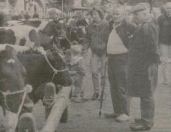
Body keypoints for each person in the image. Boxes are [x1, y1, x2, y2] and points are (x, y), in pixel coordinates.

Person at [127, 3, 160, 131]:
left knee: (146, 94)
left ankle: (146, 122)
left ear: (145, 14)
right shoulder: (145, 25)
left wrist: (150, 65)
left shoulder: (147, 27)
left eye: (137, 14)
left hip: (146, 65)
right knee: (144, 93)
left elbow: (152, 48)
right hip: (144, 64)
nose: (135, 17)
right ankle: (145, 118)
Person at [104, 4, 136, 122]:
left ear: (123, 15)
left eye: (117, 13)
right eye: (113, 13)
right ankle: (117, 111)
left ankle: (125, 113)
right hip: (111, 58)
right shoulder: (110, 25)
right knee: (113, 85)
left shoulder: (129, 26)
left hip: (122, 59)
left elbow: (134, 43)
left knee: (122, 85)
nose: (115, 16)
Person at [82, 7, 109, 100]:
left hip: (105, 52)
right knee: (94, 72)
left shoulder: (107, 25)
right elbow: (86, 39)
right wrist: (85, 49)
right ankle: (96, 92)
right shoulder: (89, 26)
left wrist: (109, 50)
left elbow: (111, 39)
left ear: (100, 15)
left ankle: (103, 93)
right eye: (92, 14)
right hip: (95, 52)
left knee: (103, 73)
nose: (94, 16)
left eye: (95, 14)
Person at [158, 2, 171, 85]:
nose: (169, 10)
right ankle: (166, 80)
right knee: (165, 61)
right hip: (164, 42)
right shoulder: (161, 18)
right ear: (165, 9)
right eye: (168, 8)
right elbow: (157, 30)